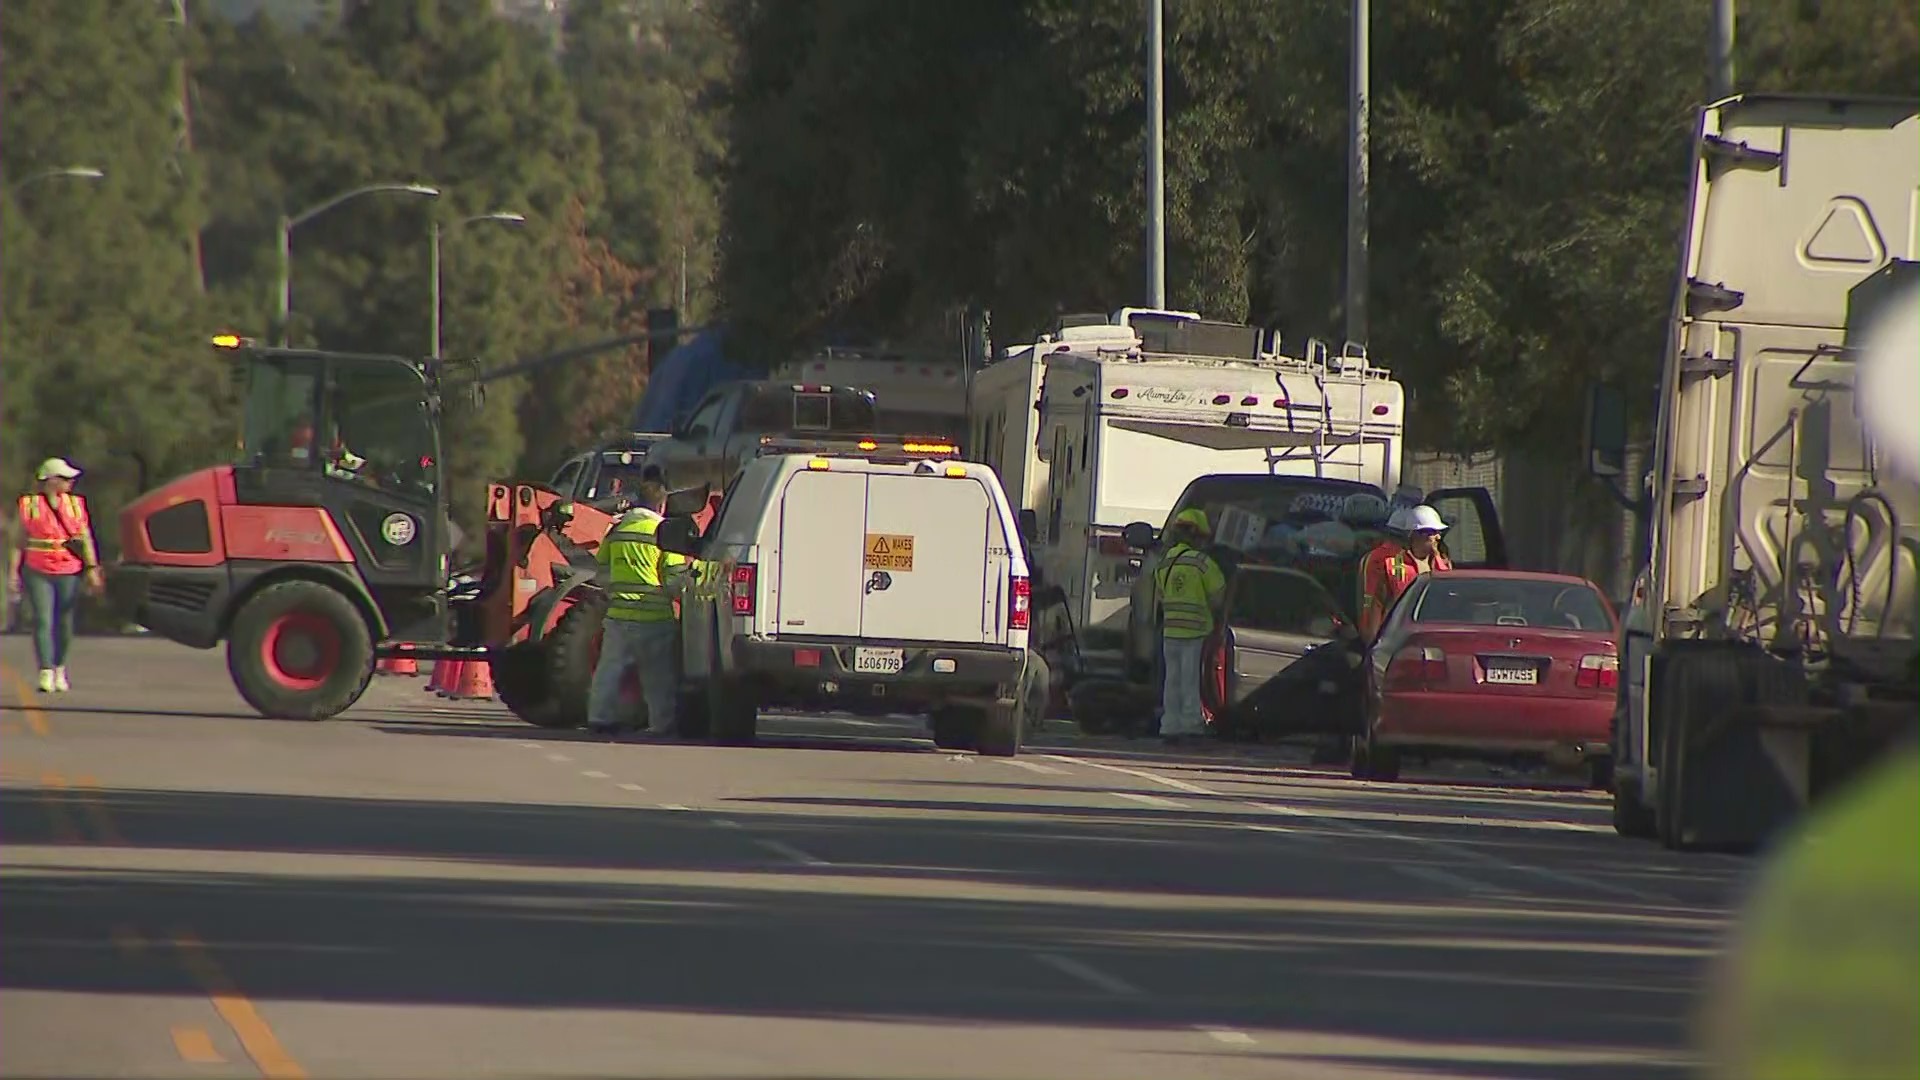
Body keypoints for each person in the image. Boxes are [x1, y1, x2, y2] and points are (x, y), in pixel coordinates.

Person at [587, 480, 690, 739]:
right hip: (654, 618)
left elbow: (601, 570)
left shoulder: (617, 529)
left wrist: (615, 591)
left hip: (619, 616)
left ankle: (600, 719)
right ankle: (661, 725)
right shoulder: (664, 531)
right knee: (658, 676)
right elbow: (674, 577)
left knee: (608, 670)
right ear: (662, 504)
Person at [8, 458, 104, 693]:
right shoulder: (29, 505)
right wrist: (13, 572)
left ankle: (60, 666)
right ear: (50, 480)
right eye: (65, 478)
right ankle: (45, 670)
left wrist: (92, 569)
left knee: (65, 622)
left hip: (68, 568)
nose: (71, 482)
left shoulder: (76, 505)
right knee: (43, 618)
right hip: (37, 568)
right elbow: (17, 542)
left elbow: (85, 537)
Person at [1153, 507, 1226, 745]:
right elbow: (1218, 597)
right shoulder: (1203, 563)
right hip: (1196, 632)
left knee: (1172, 680)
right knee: (1191, 680)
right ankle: (1192, 724)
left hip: (1171, 632)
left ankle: (1170, 725)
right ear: (1197, 535)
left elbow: (1162, 597)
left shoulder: (1165, 564)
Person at [1357, 503, 1452, 640]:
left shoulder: (1442, 563)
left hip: (1432, 636)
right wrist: (1373, 643)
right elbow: (1373, 604)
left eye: (1439, 533)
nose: (1438, 537)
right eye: (1432, 532)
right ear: (1415, 534)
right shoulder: (1392, 565)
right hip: (1398, 638)